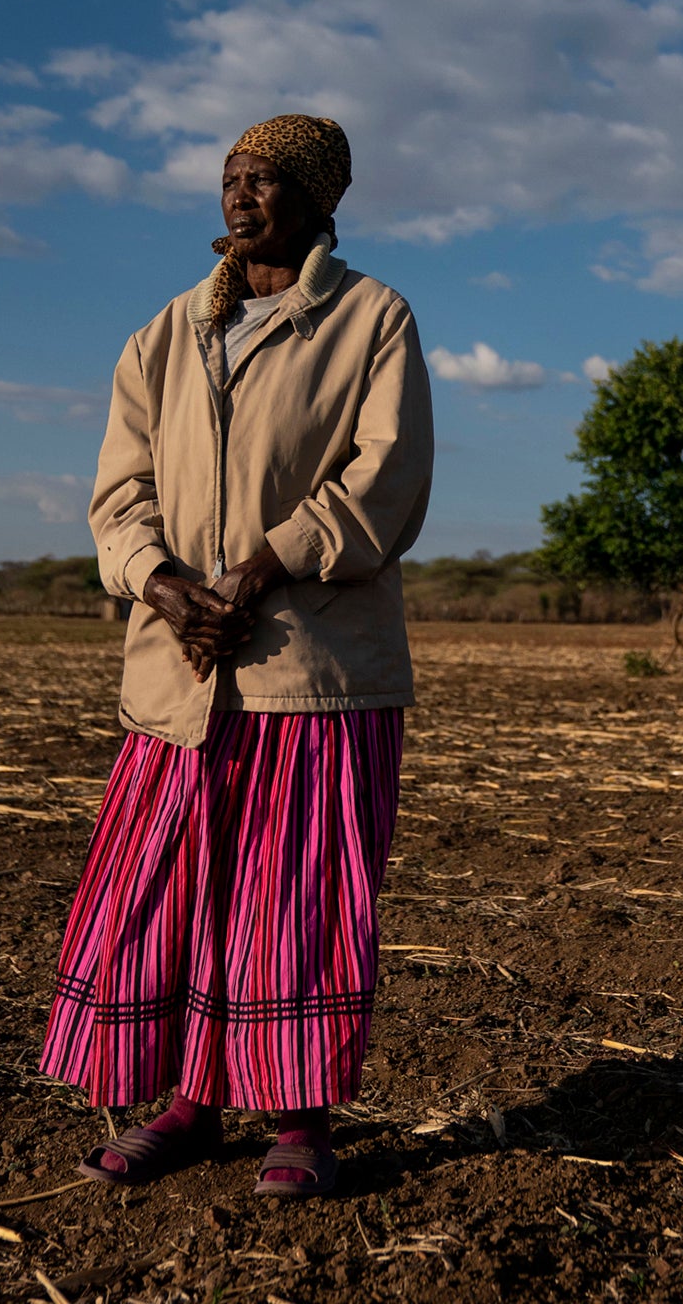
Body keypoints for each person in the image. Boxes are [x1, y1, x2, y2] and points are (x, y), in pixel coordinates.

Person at [39, 114, 433, 1196]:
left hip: (312, 673)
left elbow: (383, 483)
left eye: (265, 179)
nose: (240, 194)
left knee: (292, 896)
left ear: (316, 202)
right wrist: (161, 584)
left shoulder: (368, 319)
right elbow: (121, 496)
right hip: (179, 671)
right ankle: (187, 1105)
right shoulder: (164, 335)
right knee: (178, 890)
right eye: (230, 176)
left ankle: (301, 1121)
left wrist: (260, 571)